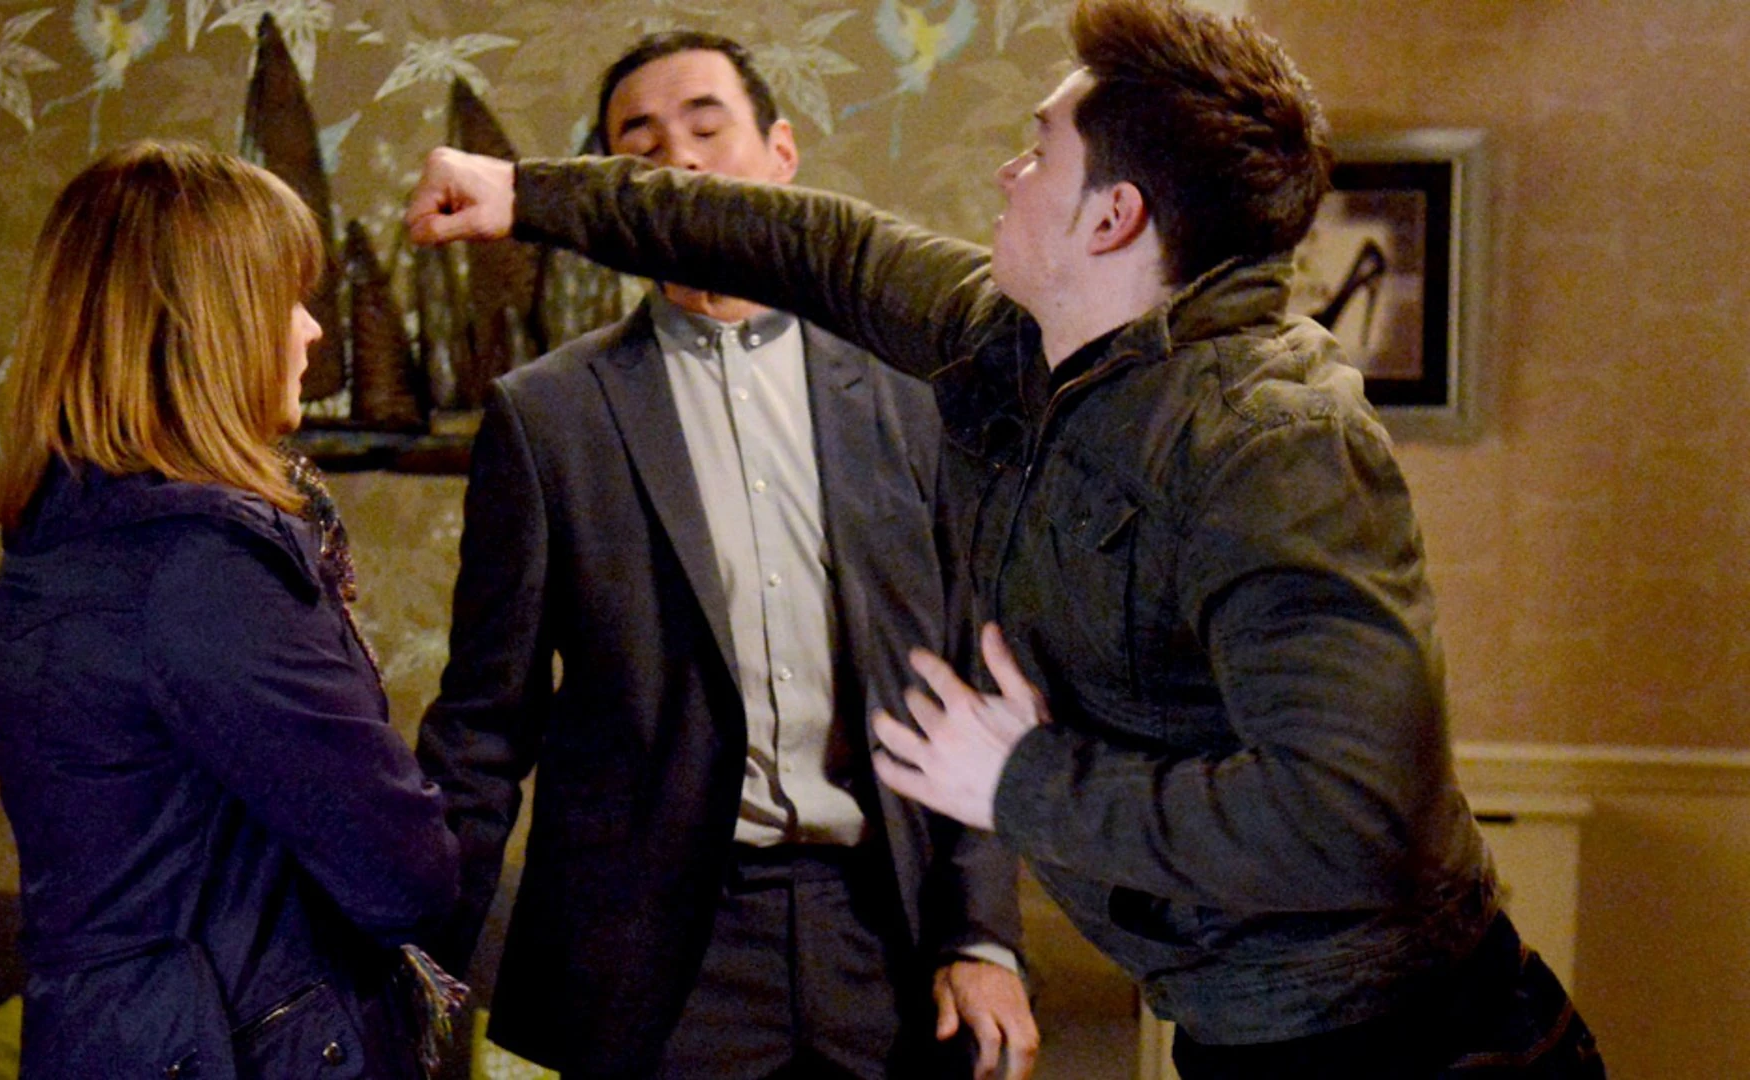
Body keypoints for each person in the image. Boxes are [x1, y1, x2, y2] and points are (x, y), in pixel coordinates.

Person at [404, 1, 1607, 1076]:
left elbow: (1348, 818)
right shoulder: (1012, 342)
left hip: (1408, 1042)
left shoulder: (1275, 444)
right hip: (1240, 1027)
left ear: (1113, 218)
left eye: (1040, 152)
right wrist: (528, 197)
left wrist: (1019, 783)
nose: (1008, 169)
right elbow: (812, 245)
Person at [414, 31, 1035, 1080]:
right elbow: (484, 722)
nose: (682, 161)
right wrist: (418, 967)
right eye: (640, 146)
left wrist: (982, 935)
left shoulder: (910, 393)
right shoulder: (551, 415)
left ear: (782, 154)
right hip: (656, 956)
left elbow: (977, 678)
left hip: (883, 929)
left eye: (708, 127)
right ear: (611, 196)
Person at [0, 141, 459, 1080]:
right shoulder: (202, 567)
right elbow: (405, 876)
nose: (312, 332)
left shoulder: (70, 532)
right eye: (288, 299)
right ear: (212, 327)